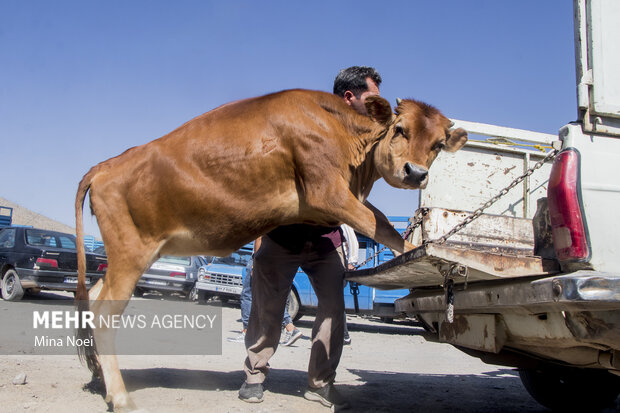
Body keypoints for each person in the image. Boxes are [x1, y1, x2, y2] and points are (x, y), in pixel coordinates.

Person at [238, 66, 382, 410]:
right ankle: (254, 375)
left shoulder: (366, 138)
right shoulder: (311, 125)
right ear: (350, 97)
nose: (379, 107)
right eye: (372, 99)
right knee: (267, 309)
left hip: (324, 238)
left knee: (334, 309)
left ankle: (320, 384)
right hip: (282, 236)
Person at [228, 238, 302, 346]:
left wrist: (255, 262)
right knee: (270, 296)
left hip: (262, 256)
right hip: (277, 257)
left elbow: (260, 236)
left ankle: (247, 332)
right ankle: (289, 327)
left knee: (248, 294)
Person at [340, 224, 359, 345]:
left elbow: (352, 240)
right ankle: (342, 335)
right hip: (335, 265)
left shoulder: (342, 222)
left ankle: (344, 335)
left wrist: (352, 262)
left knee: (335, 302)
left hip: (341, 265)